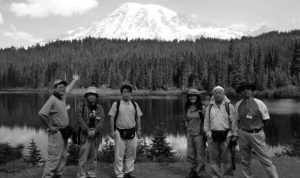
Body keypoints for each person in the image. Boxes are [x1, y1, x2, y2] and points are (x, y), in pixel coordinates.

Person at [234, 82, 279, 178]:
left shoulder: (259, 103)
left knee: (265, 160)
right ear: (241, 92)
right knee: (244, 160)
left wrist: (258, 129)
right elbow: (237, 120)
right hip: (242, 134)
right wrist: (237, 133)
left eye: (248, 88)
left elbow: (266, 119)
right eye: (243, 89)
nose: (245, 90)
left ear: (251, 91)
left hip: (256, 134)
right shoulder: (238, 104)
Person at [38, 74, 79, 178]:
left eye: (63, 87)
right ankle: (47, 176)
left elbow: (68, 89)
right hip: (56, 134)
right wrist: (50, 126)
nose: (62, 89)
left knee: (63, 156)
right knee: (54, 158)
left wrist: (74, 80)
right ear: (55, 88)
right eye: (60, 87)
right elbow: (42, 114)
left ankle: (58, 175)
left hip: (64, 133)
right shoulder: (52, 99)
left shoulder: (61, 97)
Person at [108, 84, 143, 178]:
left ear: (131, 93)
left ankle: (128, 172)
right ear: (121, 94)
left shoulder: (134, 104)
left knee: (131, 154)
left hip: (132, 132)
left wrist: (139, 130)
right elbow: (111, 118)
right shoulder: (116, 104)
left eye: (128, 92)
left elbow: (138, 117)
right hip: (119, 132)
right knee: (119, 154)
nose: (126, 94)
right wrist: (112, 131)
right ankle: (119, 174)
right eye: (124, 92)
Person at [204, 86, 237, 178]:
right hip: (212, 137)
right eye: (216, 93)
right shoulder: (209, 107)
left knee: (227, 160)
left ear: (223, 94)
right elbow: (206, 122)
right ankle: (216, 176)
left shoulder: (229, 106)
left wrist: (232, 134)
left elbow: (233, 122)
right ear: (213, 95)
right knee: (214, 160)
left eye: (220, 93)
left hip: (226, 136)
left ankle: (227, 176)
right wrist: (208, 133)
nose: (218, 94)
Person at [76, 86, 105, 178]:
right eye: (90, 95)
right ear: (86, 96)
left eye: (94, 95)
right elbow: (79, 119)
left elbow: (102, 120)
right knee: (83, 157)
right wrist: (87, 130)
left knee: (94, 157)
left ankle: (91, 174)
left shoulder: (99, 107)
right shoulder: (81, 105)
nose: (92, 96)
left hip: (96, 136)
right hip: (85, 135)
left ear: (96, 96)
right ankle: (82, 174)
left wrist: (95, 130)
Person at [184, 89, 207, 178]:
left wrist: (203, 131)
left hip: (199, 135)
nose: (192, 97)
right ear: (188, 97)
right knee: (190, 154)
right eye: (190, 96)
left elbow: (206, 121)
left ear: (197, 97)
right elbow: (186, 119)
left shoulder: (202, 108)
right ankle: (192, 171)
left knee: (200, 155)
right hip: (190, 134)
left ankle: (201, 173)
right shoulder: (187, 107)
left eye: (194, 96)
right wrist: (187, 126)